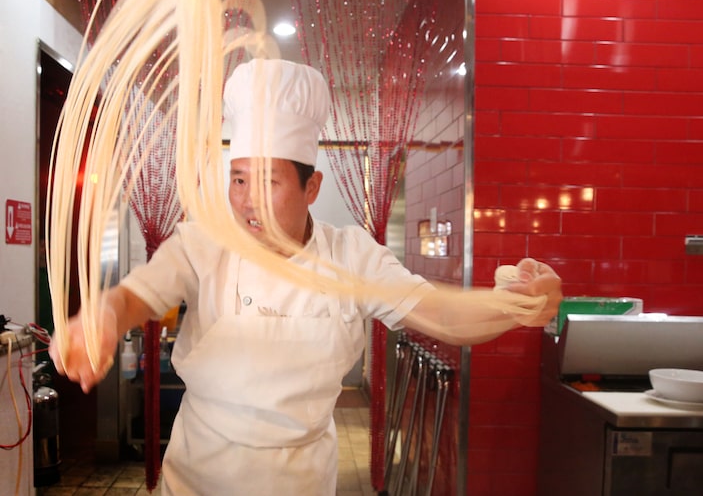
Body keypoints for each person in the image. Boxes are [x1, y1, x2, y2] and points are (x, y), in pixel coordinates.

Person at [50, 58, 562, 495]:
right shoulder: (202, 242)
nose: (247, 200)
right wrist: (102, 318)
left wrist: (514, 305)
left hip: (299, 479)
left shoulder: (351, 257)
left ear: (311, 186)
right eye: (238, 179)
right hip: (198, 476)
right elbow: (138, 294)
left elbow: (439, 313)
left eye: (268, 181)